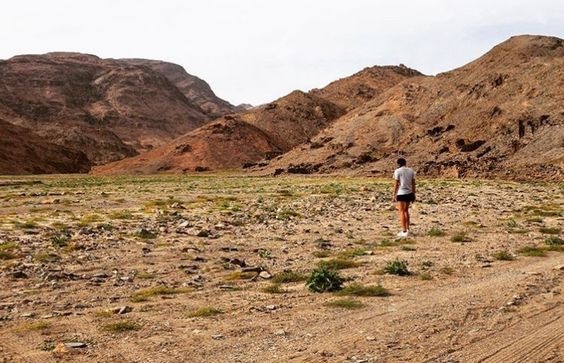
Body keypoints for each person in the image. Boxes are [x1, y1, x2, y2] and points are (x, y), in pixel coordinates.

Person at [392, 158, 416, 238]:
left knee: (401, 211)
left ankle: (404, 230)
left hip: (401, 193)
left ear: (398, 164)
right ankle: (408, 229)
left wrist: (394, 195)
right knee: (406, 211)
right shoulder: (411, 171)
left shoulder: (397, 171)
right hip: (409, 193)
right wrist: (413, 194)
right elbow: (413, 183)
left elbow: (396, 184)